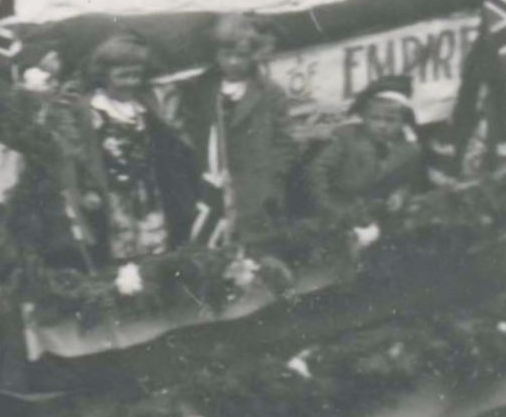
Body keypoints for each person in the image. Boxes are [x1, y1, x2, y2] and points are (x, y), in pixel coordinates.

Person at [174, 15, 297, 246]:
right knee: (210, 245)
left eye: (241, 56)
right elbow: (188, 130)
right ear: (215, 55)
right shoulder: (202, 89)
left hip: (254, 188)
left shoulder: (270, 94)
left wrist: (270, 181)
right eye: (225, 55)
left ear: (254, 56)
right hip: (210, 184)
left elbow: (285, 142)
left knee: (252, 248)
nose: (232, 62)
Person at [75, 33, 197, 262]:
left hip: (147, 194)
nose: (131, 82)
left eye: (136, 75)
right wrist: (87, 188)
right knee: (120, 253)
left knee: (154, 250)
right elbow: (80, 153)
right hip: (112, 196)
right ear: (104, 74)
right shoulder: (90, 108)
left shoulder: (143, 105)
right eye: (122, 76)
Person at [311, 75, 430, 217]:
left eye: (390, 120)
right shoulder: (347, 138)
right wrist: (332, 206)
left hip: (378, 212)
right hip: (341, 207)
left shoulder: (409, 150)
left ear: (403, 122)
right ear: (364, 118)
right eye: (375, 118)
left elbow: (409, 181)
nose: (382, 126)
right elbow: (318, 172)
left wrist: (399, 194)